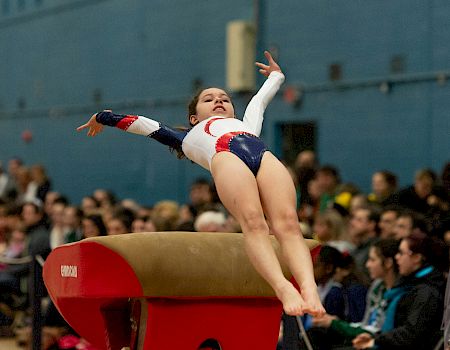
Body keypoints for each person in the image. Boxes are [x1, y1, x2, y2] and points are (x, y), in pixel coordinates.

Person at [77, 50, 324, 317]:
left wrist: (276, 75)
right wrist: (104, 117)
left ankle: (309, 289)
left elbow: (259, 101)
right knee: (255, 223)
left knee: (288, 223)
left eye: (224, 99)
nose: (218, 101)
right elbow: (144, 125)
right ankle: (282, 288)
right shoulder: (186, 137)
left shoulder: (246, 124)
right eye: (209, 99)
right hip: (225, 156)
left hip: (261, 155)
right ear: (194, 117)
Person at [352, 231, 447, 349]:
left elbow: (411, 334)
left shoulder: (427, 291)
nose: (397, 257)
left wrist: (377, 340)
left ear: (417, 257)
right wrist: (376, 338)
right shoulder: (412, 285)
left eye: (401, 253)